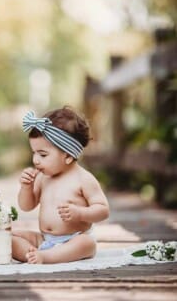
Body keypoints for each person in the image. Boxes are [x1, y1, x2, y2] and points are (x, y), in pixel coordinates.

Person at [12, 106, 109, 264]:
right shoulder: (43, 177)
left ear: (68, 156)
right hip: (44, 239)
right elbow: (26, 206)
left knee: (87, 244)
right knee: (10, 236)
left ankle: (46, 257)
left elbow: (103, 211)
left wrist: (80, 213)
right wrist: (26, 187)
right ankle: (34, 254)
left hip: (74, 239)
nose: (36, 160)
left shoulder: (83, 179)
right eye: (34, 153)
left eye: (43, 154)